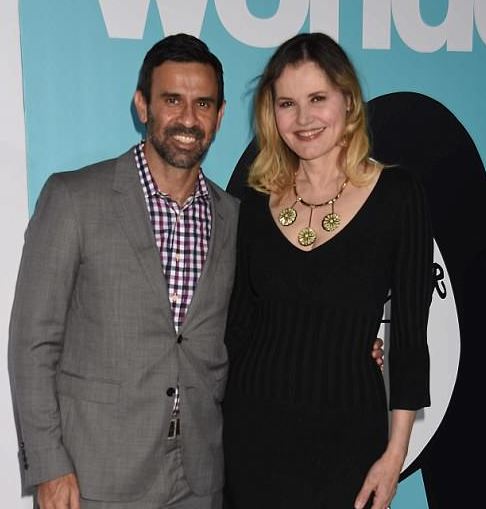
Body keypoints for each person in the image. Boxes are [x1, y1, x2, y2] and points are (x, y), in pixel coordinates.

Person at [8, 34, 239, 509]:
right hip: (94, 476)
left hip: (199, 478)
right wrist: (49, 466)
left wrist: (352, 342)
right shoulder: (75, 199)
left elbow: (257, 325)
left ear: (219, 115)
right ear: (142, 106)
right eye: (172, 100)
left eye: (203, 104)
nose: (188, 119)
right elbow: (33, 343)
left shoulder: (234, 217)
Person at [222, 32, 433, 509]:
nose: (303, 119)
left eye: (318, 98)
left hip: (348, 443)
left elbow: (411, 339)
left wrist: (394, 454)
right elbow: (238, 327)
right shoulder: (255, 201)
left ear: (348, 102)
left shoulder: (399, 195)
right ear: (271, 114)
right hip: (250, 437)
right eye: (287, 103)